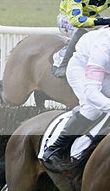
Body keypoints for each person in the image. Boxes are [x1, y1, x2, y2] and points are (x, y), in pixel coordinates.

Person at [42, 25, 110, 170]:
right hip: (82, 68)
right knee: (93, 109)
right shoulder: (102, 48)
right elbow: (91, 93)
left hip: (106, 72)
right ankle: (55, 149)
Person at [51, 0, 110, 78]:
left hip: (92, 17)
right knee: (83, 32)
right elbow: (76, 20)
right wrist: (102, 21)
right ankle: (62, 62)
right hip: (68, 18)